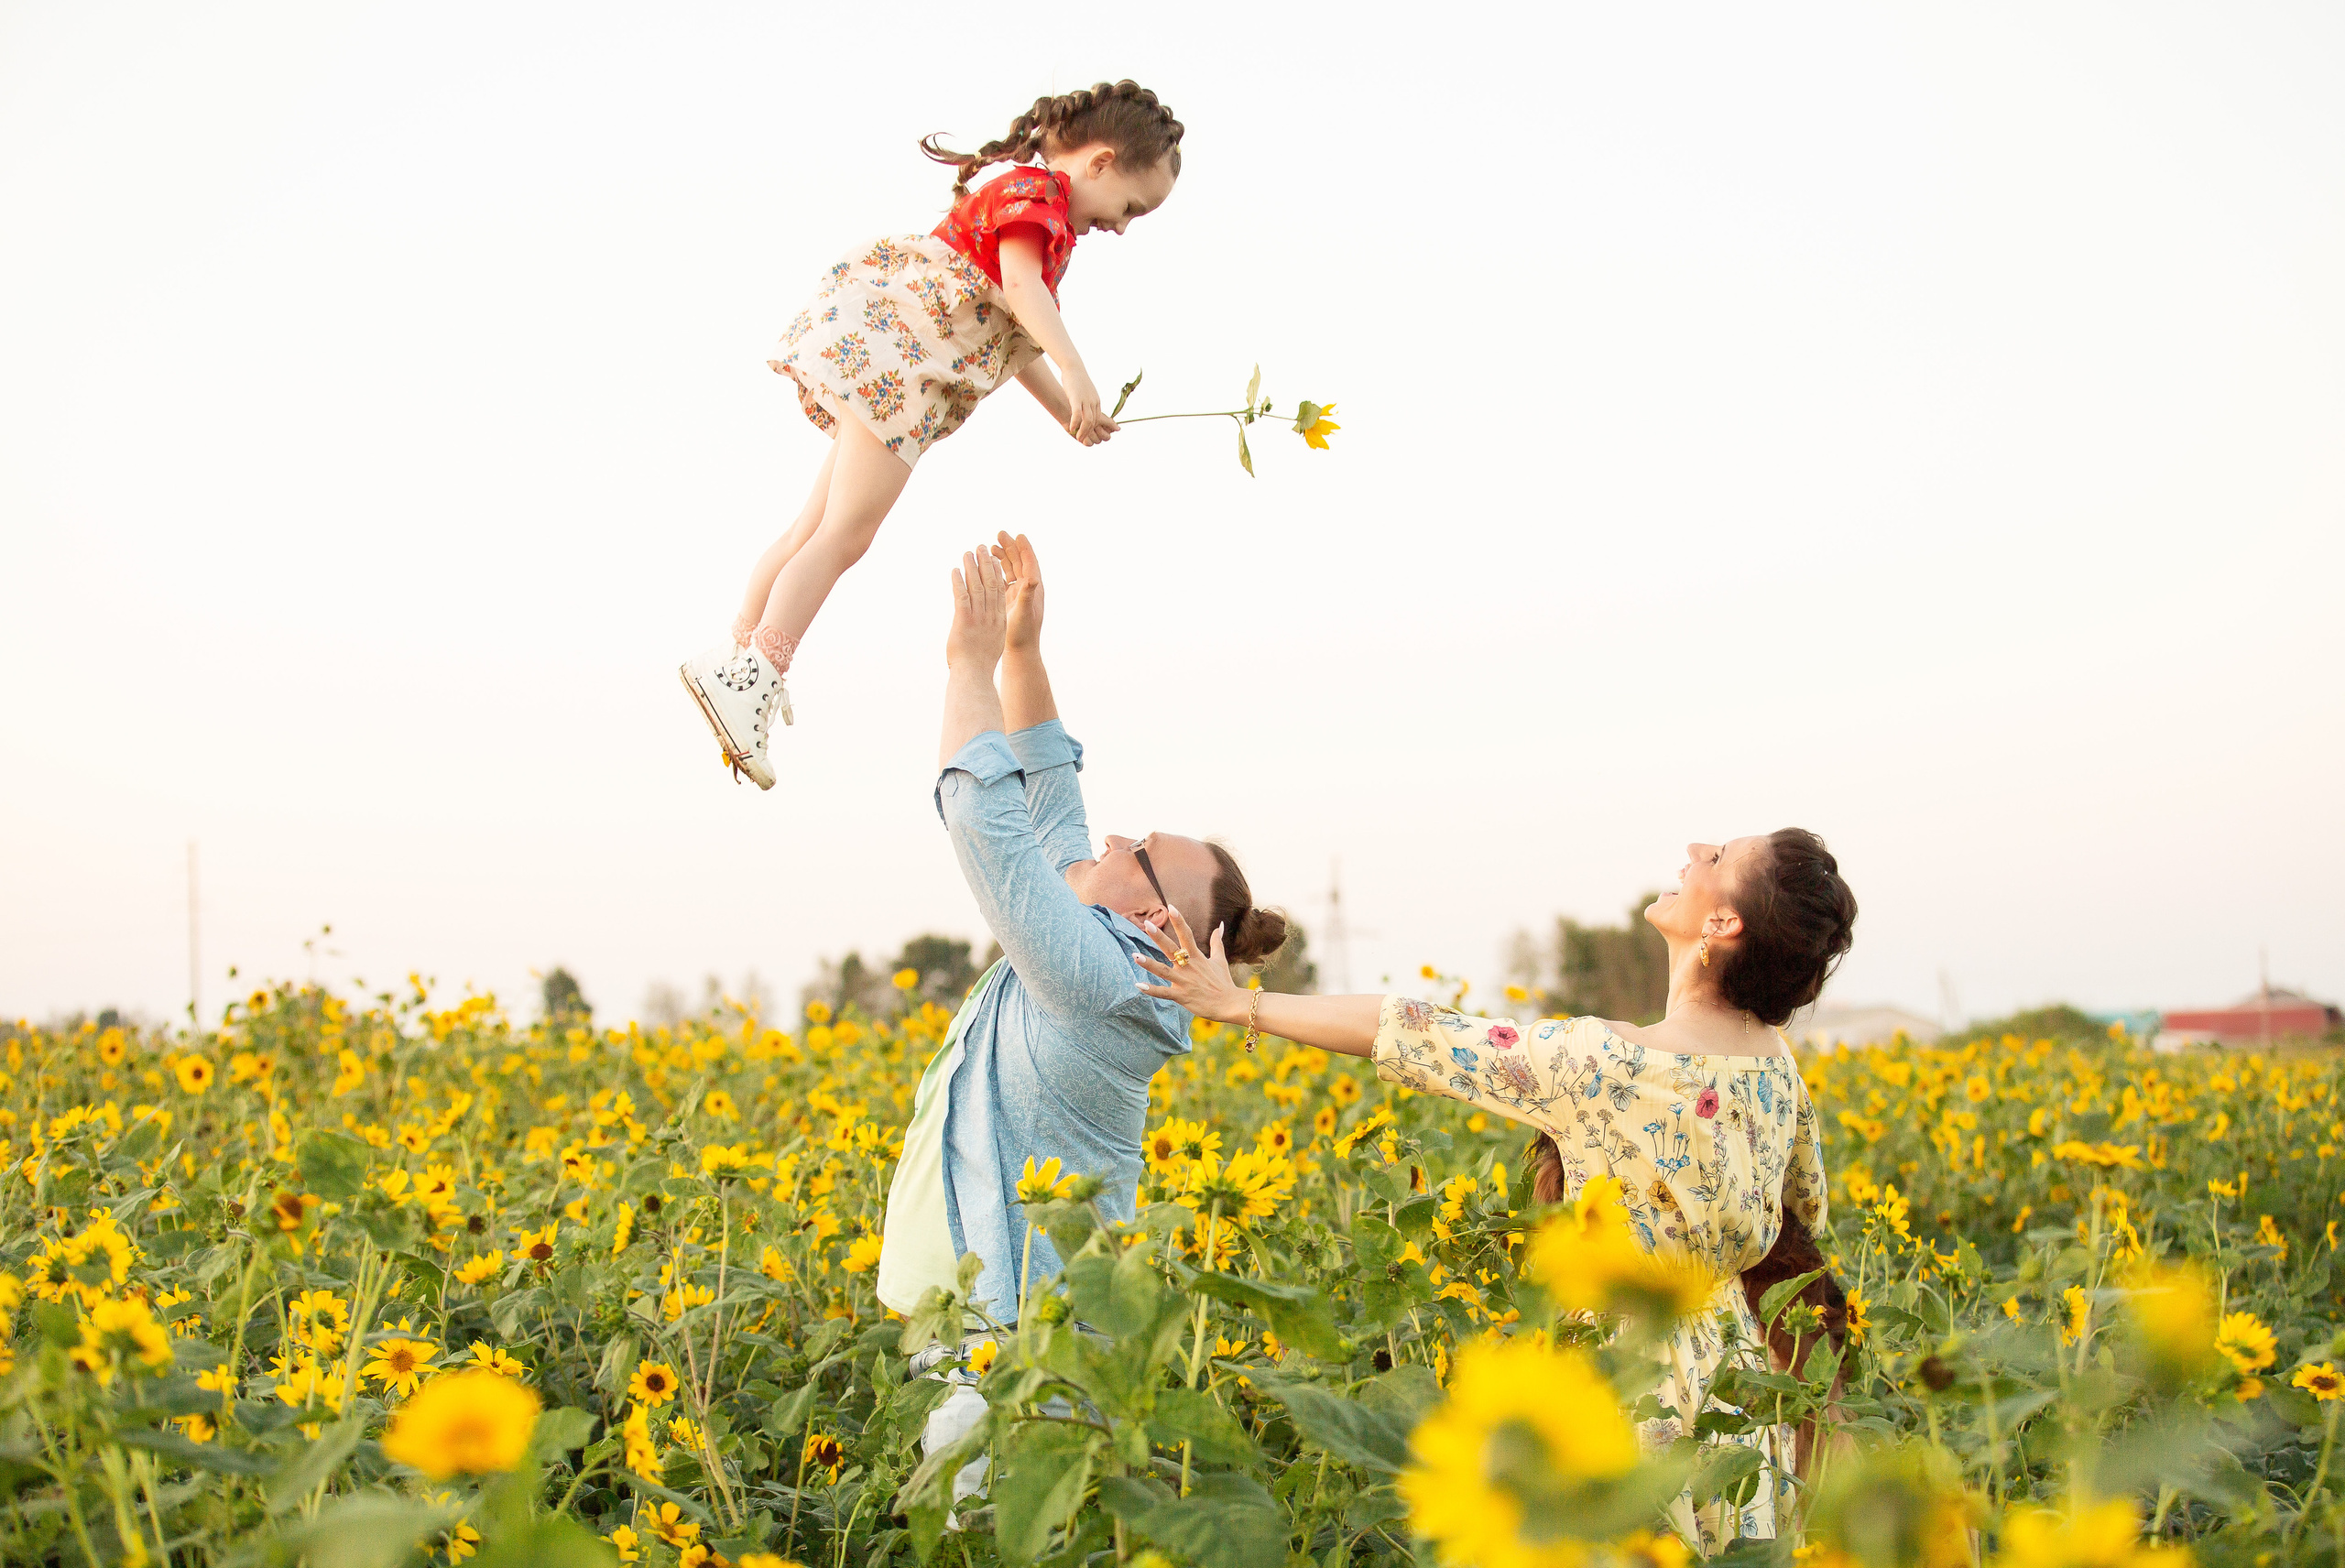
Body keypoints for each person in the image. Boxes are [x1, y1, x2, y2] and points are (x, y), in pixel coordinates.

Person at [1135, 832, 1858, 1554]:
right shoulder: (1777, 1071)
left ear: (1723, 923)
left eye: (1719, 858)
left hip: (1620, 1377)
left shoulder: (1602, 1060)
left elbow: (1413, 1033)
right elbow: (1803, 1216)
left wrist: (1239, 1004)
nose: (1698, 849)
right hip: (1738, 1385)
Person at [879, 532, 1287, 1501]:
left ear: (1153, 920)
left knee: (987, 1538)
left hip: (1020, 1346)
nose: (1112, 835)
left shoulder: (1108, 981)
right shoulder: (1111, 948)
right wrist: (1022, 652)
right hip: (989, 1317)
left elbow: (989, 824)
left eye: (1138, 848)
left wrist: (967, 663)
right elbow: (1055, 805)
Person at [679, 82, 1183, 788]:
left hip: (895, 361)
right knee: (845, 535)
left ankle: (735, 662)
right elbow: (1022, 290)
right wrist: (1077, 371)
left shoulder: (1037, 213)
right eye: (1131, 207)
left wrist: (1068, 412)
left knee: (811, 529)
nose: (1123, 227)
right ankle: (757, 672)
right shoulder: (1038, 199)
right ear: (1100, 163)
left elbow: (1017, 338)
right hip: (903, 367)